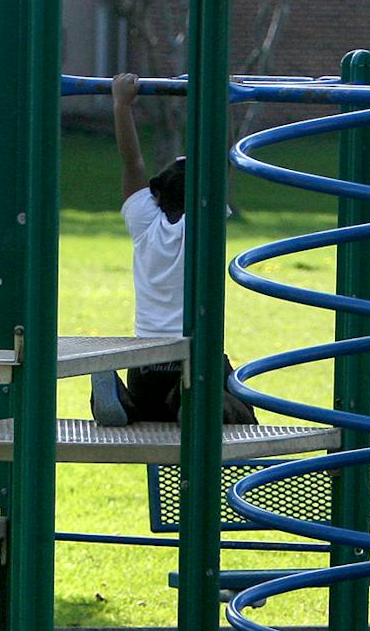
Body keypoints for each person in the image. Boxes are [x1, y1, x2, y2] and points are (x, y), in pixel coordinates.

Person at [89, 71, 256, 428]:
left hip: (144, 359)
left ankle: (124, 399)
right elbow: (222, 163)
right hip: (193, 355)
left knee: (149, 412)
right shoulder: (202, 225)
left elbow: (132, 163)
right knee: (241, 414)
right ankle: (192, 398)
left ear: (157, 196)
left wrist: (121, 105)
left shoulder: (144, 225)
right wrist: (219, 103)